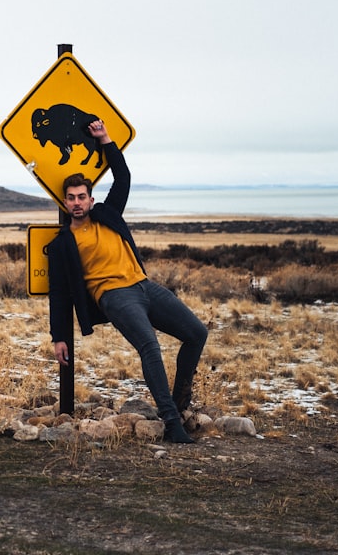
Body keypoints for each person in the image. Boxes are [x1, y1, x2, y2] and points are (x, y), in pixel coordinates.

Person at [47, 119, 208, 443]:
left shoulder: (108, 214)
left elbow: (123, 177)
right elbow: (60, 294)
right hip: (113, 295)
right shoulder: (63, 243)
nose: (77, 202)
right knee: (149, 346)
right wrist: (59, 336)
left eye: (82, 196)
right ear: (65, 203)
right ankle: (172, 424)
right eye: (71, 198)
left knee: (196, 333)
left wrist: (105, 139)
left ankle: (178, 405)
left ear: (91, 200)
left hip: (143, 285)